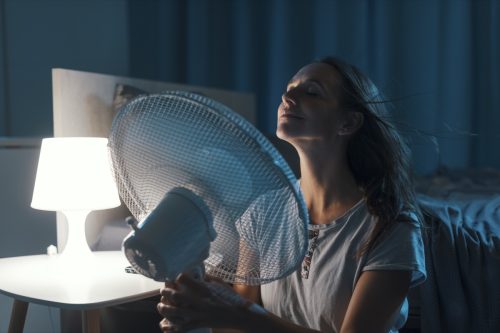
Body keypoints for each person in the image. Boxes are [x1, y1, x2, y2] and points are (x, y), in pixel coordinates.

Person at [156, 56, 426, 333]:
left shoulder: (390, 226)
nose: (287, 96)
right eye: (289, 88)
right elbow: (239, 328)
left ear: (348, 123)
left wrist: (236, 314)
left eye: (311, 92)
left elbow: (244, 318)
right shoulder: (263, 213)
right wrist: (199, 311)